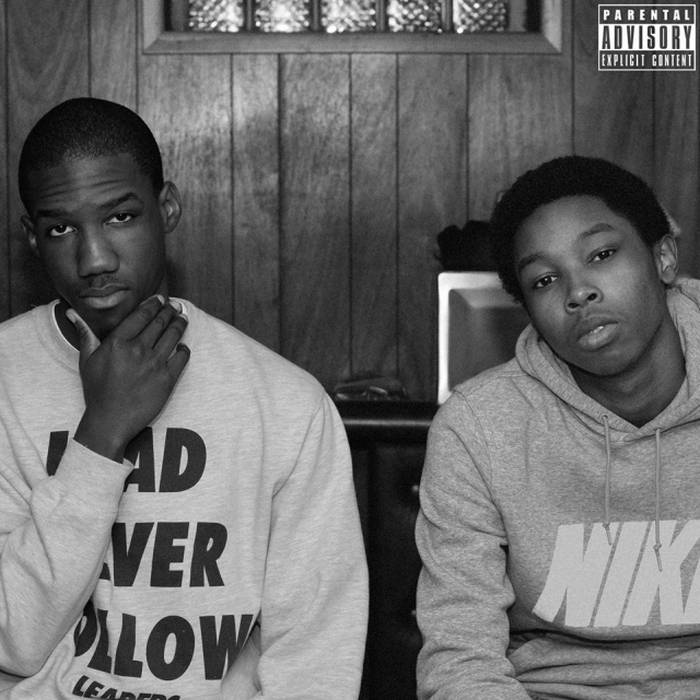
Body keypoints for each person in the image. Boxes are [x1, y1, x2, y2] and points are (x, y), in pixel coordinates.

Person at [0, 97, 368, 699]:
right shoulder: (6, 380)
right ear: (32, 238)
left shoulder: (286, 403)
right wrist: (101, 434)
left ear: (166, 208)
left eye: (120, 217)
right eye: (60, 228)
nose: (94, 259)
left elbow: (314, 657)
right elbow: (13, 638)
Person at [415, 155, 700, 698]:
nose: (578, 292)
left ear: (663, 257)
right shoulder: (478, 428)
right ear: (527, 308)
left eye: (602, 254)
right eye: (544, 279)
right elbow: (462, 656)